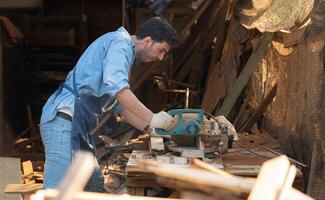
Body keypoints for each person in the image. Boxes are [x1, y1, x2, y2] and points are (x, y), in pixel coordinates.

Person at [39, 17, 180, 191]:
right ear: (148, 40)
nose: (160, 57)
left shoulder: (124, 53)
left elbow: (118, 105)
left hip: (78, 126)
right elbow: (119, 89)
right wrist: (152, 117)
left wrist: (150, 128)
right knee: (56, 191)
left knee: (94, 184)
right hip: (63, 120)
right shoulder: (120, 44)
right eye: (161, 50)